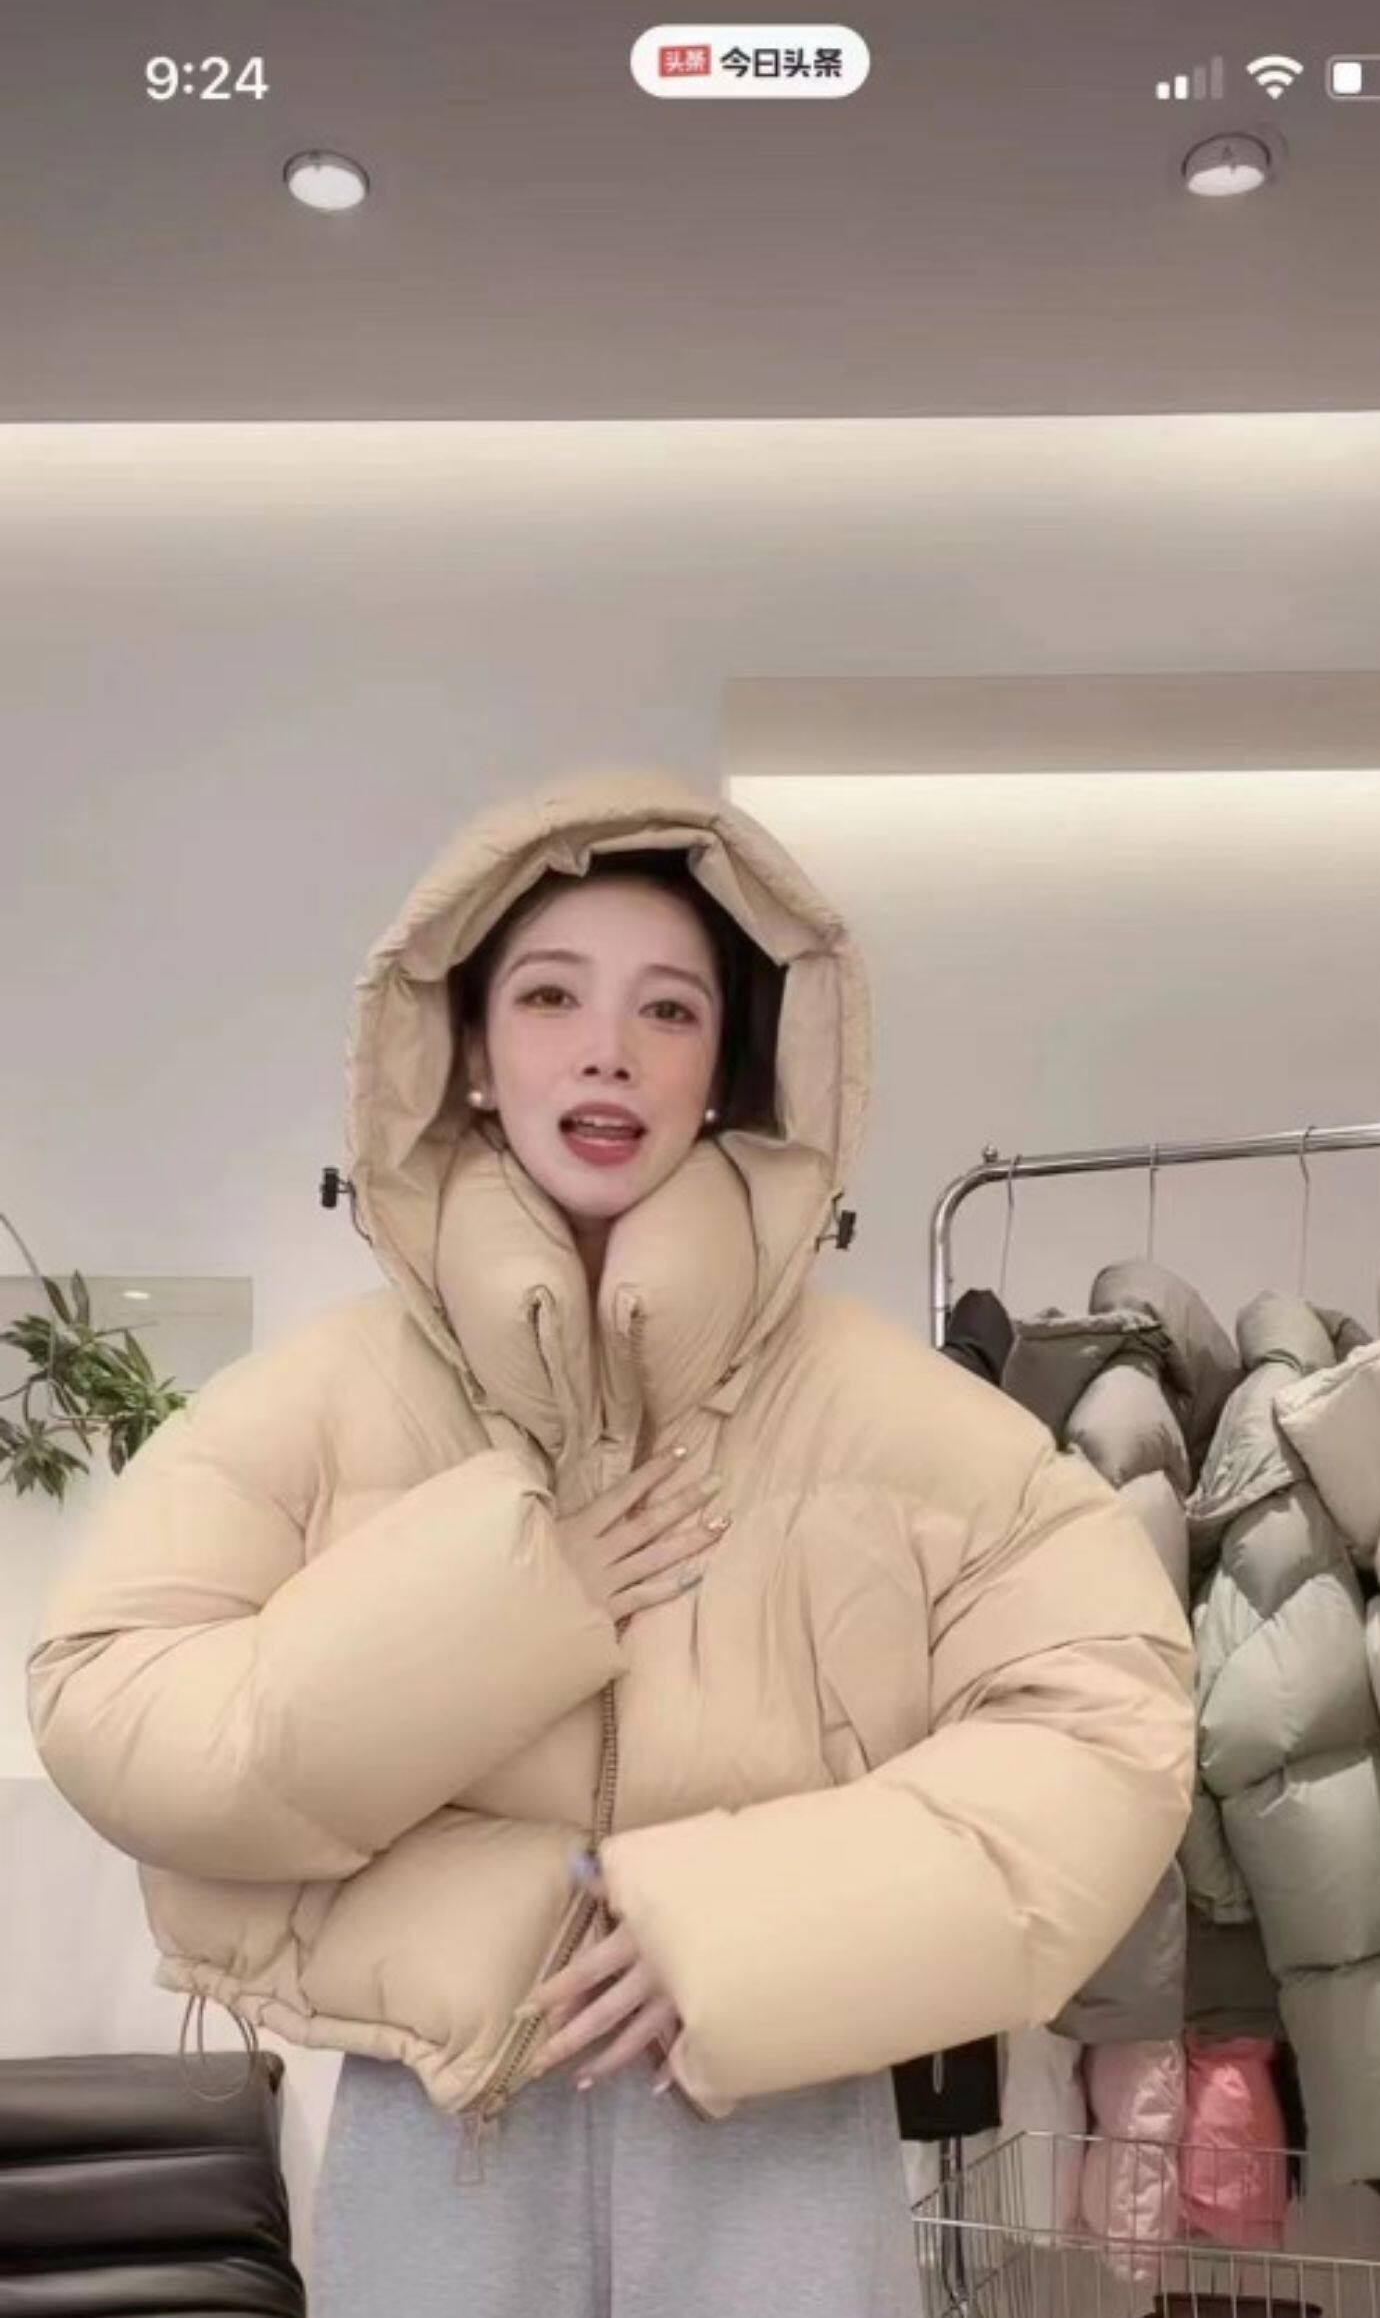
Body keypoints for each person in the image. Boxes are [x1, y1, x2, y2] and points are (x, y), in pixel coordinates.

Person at [27, 768, 1196, 2318]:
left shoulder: (897, 1419)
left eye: (668, 1009)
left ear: (727, 1067)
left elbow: (1109, 1717)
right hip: (443, 2114)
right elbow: (109, 1698)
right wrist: (509, 1603)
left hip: (774, 2118)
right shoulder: (318, 1400)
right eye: (550, 994)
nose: (607, 1047)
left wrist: (741, 1920)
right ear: (467, 1049)